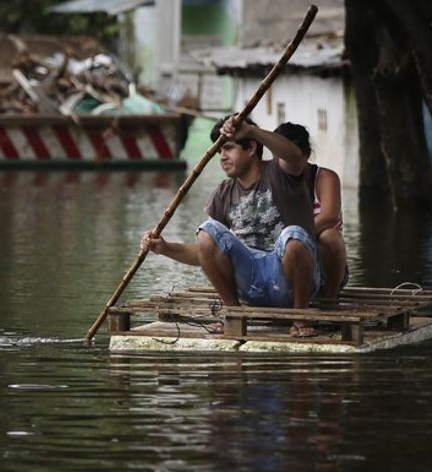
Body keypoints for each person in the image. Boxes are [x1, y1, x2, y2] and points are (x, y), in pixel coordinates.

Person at [141, 115, 323, 338]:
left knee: (293, 236)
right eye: (219, 152)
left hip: (289, 279)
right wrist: (165, 248)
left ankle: (299, 316)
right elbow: (206, 252)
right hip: (251, 284)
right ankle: (234, 313)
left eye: (228, 148)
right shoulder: (223, 193)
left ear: (250, 148)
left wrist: (251, 131)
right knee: (207, 232)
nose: (222, 157)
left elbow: (294, 155)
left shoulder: (281, 171)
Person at [273, 122, 349, 296]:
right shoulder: (270, 180)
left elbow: (329, 217)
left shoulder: (325, 178)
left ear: (305, 155)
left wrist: (295, 240)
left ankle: (329, 298)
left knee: (330, 236)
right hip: (281, 264)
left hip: (323, 266)